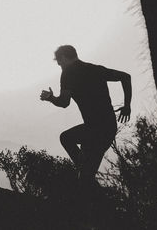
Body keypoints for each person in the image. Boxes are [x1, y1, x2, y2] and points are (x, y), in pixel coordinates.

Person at [40, 45, 132, 197]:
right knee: (86, 177)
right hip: (108, 128)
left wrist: (50, 98)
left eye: (60, 62)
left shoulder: (68, 74)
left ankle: (101, 205)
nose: (59, 65)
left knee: (66, 139)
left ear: (64, 57)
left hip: (94, 129)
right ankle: (94, 192)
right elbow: (126, 77)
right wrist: (127, 106)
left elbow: (64, 103)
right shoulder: (95, 69)